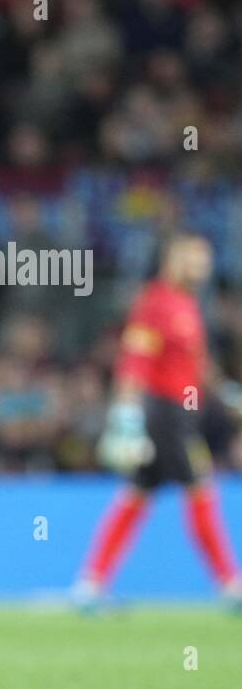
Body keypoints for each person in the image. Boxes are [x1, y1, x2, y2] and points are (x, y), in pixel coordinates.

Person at [74, 233, 242, 608]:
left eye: (204, 259)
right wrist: (126, 415)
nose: (201, 267)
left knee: (136, 495)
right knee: (200, 489)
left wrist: (229, 395)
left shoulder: (187, 304)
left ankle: (90, 583)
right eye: (193, 258)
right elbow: (135, 361)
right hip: (164, 414)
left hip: (181, 412)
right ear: (171, 259)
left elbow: (196, 365)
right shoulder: (156, 302)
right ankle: (230, 584)